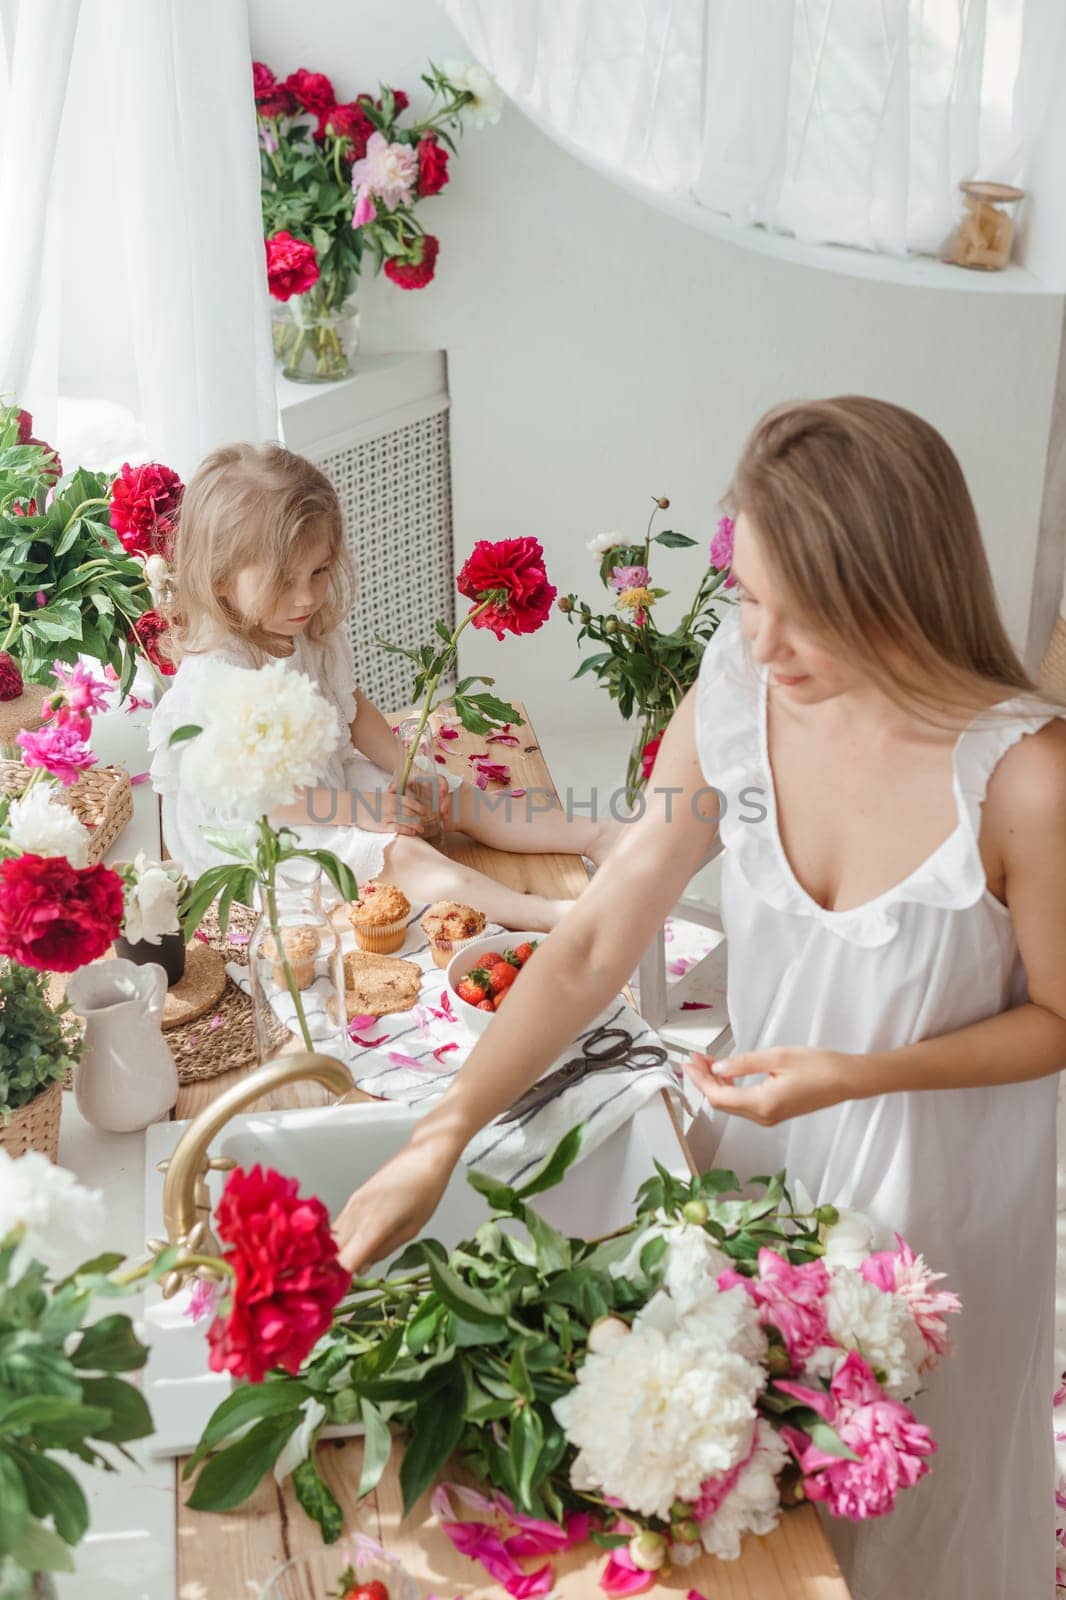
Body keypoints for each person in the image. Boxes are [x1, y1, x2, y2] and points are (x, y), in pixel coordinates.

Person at [333, 398, 1066, 1600]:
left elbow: (1056, 1020)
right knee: (762, 1524)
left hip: (942, 1214)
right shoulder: (738, 690)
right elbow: (589, 943)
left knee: (915, 1512)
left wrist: (859, 1072)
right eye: (747, 595)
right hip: (764, 1175)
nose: (762, 643)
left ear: (898, 590)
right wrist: (441, 1135)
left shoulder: (1022, 778)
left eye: (804, 612)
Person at [147, 442, 618, 929]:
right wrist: (362, 811)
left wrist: (406, 766)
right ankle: (550, 915)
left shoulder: (303, 629)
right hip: (264, 830)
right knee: (401, 855)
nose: (307, 596)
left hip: (322, 784)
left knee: (446, 797)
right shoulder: (218, 679)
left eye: (320, 571)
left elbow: (351, 708)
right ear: (221, 579)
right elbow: (266, 800)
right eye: (284, 581)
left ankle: (594, 835)